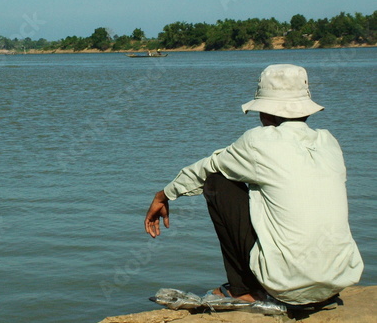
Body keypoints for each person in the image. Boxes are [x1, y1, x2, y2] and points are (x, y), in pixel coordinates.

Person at [144, 64, 363, 306]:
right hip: (338, 279)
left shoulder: (259, 141)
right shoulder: (328, 142)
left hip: (287, 286)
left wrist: (163, 195)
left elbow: (206, 168)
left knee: (217, 181)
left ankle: (243, 289)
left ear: (266, 112)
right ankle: (315, 280)